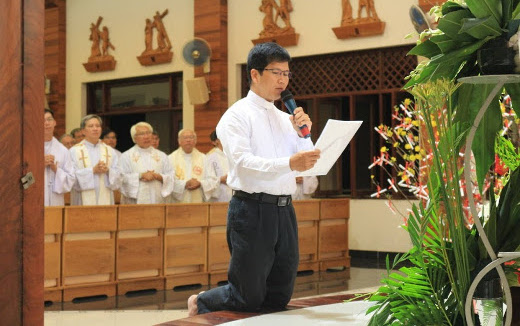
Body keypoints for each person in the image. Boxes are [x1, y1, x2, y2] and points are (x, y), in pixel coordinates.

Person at [188, 42, 320, 315]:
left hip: (285, 211)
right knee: (246, 295)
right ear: (255, 74)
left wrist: (304, 134)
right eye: (276, 72)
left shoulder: (286, 119)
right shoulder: (236, 116)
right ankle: (201, 302)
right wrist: (289, 162)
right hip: (251, 209)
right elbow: (243, 163)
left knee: (279, 294)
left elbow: (306, 163)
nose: (283, 79)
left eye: (286, 73)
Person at [69, 114, 121, 205]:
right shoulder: (74, 151)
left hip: (106, 198)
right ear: (83, 131)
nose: (95, 129)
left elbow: (119, 175)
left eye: (98, 126)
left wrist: (108, 171)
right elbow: (71, 176)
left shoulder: (110, 151)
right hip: (82, 200)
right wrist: (92, 170)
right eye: (91, 126)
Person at [119, 122, 174, 204]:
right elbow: (121, 178)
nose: (146, 136)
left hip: (158, 200)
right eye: (142, 134)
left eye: (148, 133)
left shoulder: (162, 156)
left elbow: (171, 176)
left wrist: (158, 176)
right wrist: (140, 176)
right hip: (135, 203)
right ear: (134, 138)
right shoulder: (126, 156)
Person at [169, 129, 218, 203]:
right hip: (177, 203)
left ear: (195, 141)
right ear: (179, 141)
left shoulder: (204, 158)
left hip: (198, 202)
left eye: (191, 137)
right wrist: (184, 184)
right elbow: (168, 181)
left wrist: (200, 183)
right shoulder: (170, 159)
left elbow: (213, 180)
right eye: (185, 138)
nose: (188, 140)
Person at [44, 109, 75, 206]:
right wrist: (38, 165)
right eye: (42, 120)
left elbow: (70, 179)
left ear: (55, 123)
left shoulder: (63, 151)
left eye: (49, 119)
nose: (47, 123)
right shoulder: (29, 148)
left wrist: (56, 170)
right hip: (35, 199)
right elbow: (22, 179)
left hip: (56, 200)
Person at [205, 130, 232, 202]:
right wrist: (220, 179)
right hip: (219, 196)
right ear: (215, 142)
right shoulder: (209, 157)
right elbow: (207, 179)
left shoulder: (232, 154)